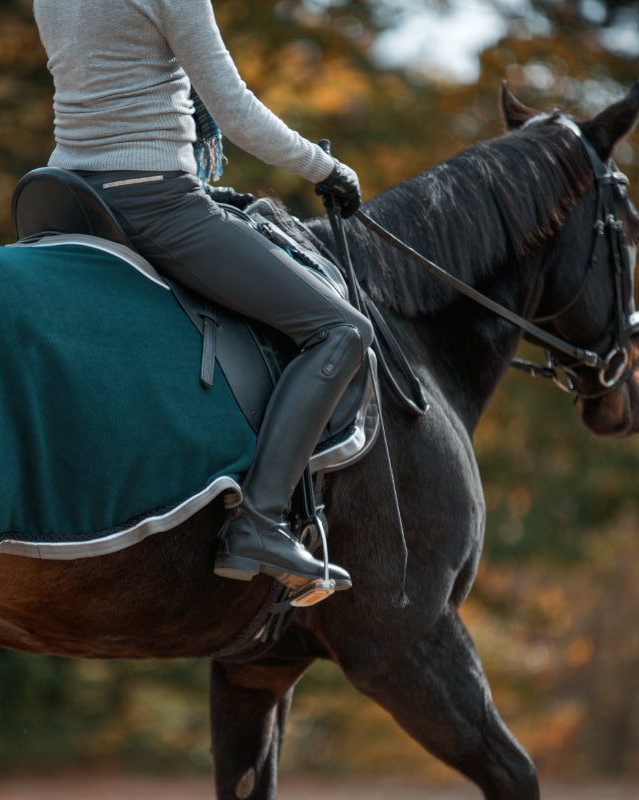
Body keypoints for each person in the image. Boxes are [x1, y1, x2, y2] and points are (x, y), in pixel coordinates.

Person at [32, 0, 375, 605]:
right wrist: (325, 168)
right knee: (342, 330)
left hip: (67, 192)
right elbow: (236, 113)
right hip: (155, 201)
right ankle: (261, 524)